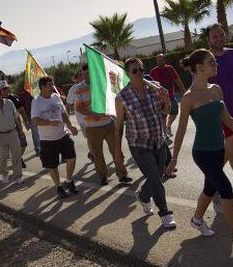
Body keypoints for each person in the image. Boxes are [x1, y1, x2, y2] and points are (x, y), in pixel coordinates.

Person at [167, 48, 233, 250]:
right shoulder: (188, 98)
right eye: (212, 62)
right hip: (202, 152)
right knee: (225, 189)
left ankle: (197, 219)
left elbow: (226, 118)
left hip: (219, 149)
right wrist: (173, 159)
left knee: (209, 189)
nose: (216, 64)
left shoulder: (216, 89)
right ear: (199, 68)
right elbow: (181, 131)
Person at [114, 58, 176, 229]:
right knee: (156, 178)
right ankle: (164, 212)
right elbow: (118, 125)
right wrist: (117, 150)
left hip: (158, 139)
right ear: (127, 74)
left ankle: (143, 196)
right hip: (139, 144)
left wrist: (166, 99)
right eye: (134, 71)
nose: (139, 73)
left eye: (141, 69)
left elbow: (165, 111)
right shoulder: (122, 97)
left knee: (158, 174)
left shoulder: (155, 88)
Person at [207, 23, 233, 209]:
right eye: (215, 36)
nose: (219, 38)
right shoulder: (205, 58)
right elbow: (199, 84)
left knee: (230, 149)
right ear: (208, 39)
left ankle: (212, 181)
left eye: (221, 35)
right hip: (215, 113)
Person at [75, 64, 132, 186]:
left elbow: (112, 98)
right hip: (92, 127)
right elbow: (78, 107)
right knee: (97, 154)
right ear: (82, 74)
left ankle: (122, 175)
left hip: (108, 123)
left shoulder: (102, 83)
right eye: (84, 74)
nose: (86, 76)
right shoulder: (78, 88)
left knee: (116, 150)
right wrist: (91, 114)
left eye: (88, 73)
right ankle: (102, 176)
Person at [31, 76, 79, 199]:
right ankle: (58, 187)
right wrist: (49, 122)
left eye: (52, 84)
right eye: (49, 85)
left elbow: (63, 113)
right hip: (47, 140)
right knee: (53, 166)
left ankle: (68, 181)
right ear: (42, 87)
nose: (52, 87)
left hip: (62, 135)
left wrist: (70, 125)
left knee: (72, 158)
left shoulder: (56, 97)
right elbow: (36, 120)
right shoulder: (36, 101)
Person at [0, 86, 24, 184]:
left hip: (12, 132)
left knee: (16, 155)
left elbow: (16, 116)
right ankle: (4, 174)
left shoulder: (9, 103)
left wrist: (20, 130)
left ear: (1, 93)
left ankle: (18, 176)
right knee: (4, 157)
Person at [150, 54, 186, 138]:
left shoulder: (170, 68)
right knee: (163, 115)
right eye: (158, 60)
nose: (159, 62)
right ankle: (164, 132)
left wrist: (183, 90)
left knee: (174, 112)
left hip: (170, 95)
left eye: (161, 60)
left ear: (164, 60)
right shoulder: (153, 71)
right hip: (159, 97)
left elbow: (177, 79)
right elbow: (150, 85)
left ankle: (168, 126)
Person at [0, 80, 30, 168]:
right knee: (14, 146)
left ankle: (18, 158)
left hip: (17, 125)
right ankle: (18, 160)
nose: (5, 90)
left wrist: (26, 121)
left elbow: (21, 110)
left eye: (6, 88)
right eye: (3, 89)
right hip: (6, 128)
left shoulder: (13, 98)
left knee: (23, 144)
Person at [66, 70, 93, 162]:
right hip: (82, 118)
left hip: (94, 116)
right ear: (76, 78)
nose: (81, 77)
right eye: (79, 76)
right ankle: (93, 153)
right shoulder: (73, 89)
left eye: (82, 75)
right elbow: (69, 102)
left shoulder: (91, 84)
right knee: (89, 137)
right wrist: (67, 116)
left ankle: (92, 152)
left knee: (94, 137)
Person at [18, 88, 41, 156]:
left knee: (38, 132)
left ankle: (40, 148)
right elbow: (21, 108)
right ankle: (38, 149)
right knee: (35, 132)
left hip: (37, 114)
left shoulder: (35, 92)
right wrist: (25, 120)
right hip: (30, 115)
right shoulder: (23, 95)